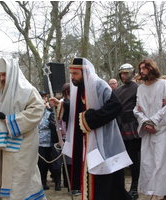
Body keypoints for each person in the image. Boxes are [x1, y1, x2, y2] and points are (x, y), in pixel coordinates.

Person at [49, 57, 133, 200]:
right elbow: (77, 113)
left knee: (107, 182)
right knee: (93, 179)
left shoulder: (99, 85)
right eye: (71, 73)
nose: (72, 77)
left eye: (75, 73)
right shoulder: (78, 89)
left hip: (104, 142)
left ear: (85, 72)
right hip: (87, 144)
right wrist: (61, 105)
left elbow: (116, 106)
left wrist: (89, 118)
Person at [0, 58, 47, 200]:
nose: (2, 78)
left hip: (23, 144)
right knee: (8, 177)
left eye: (4, 75)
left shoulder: (27, 90)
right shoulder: (2, 90)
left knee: (20, 178)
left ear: (13, 73)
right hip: (7, 145)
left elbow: (38, 109)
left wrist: (11, 121)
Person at [133, 59, 166, 200]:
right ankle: (157, 191)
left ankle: (162, 194)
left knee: (162, 162)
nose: (141, 71)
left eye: (144, 68)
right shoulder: (140, 88)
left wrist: (153, 123)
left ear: (151, 69)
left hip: (162, 131)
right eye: (140, 68)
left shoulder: (164, 84)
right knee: (149, 163)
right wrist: (145, 122)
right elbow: (137, 109)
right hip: (147, 132)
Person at [114, 63, 140, 200]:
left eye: (125, 73)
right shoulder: (118, 90)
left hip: (133, 125)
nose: (123, 76)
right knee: (122, 159)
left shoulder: (138, 88)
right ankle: (120, 188)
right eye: (121, 74)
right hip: (121, 125)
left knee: (133, 158)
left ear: (131, 73)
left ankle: (135, 187)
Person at [38, 90, 62, 191]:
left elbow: (55, 125)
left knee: (54, 162)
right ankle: (43, 182)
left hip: (51, 141)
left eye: (43, 103)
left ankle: (57, 182)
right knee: (41, 163)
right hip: (39, 142)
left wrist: (51, 111)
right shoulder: (35, 115)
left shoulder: (50, 114)